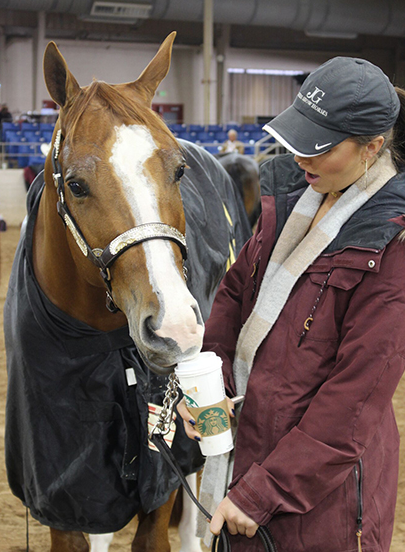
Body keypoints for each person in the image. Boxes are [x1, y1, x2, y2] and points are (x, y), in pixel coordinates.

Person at [178, 56, 405, 552]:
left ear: (372, 147)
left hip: (322, 498)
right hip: (250, 454)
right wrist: (209, 388)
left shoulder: (392, 245)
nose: (302, 158)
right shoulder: (290, 199)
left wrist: (266, 490)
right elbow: (237, 290)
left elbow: (355, 397)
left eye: (320, 148)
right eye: (298, 139)